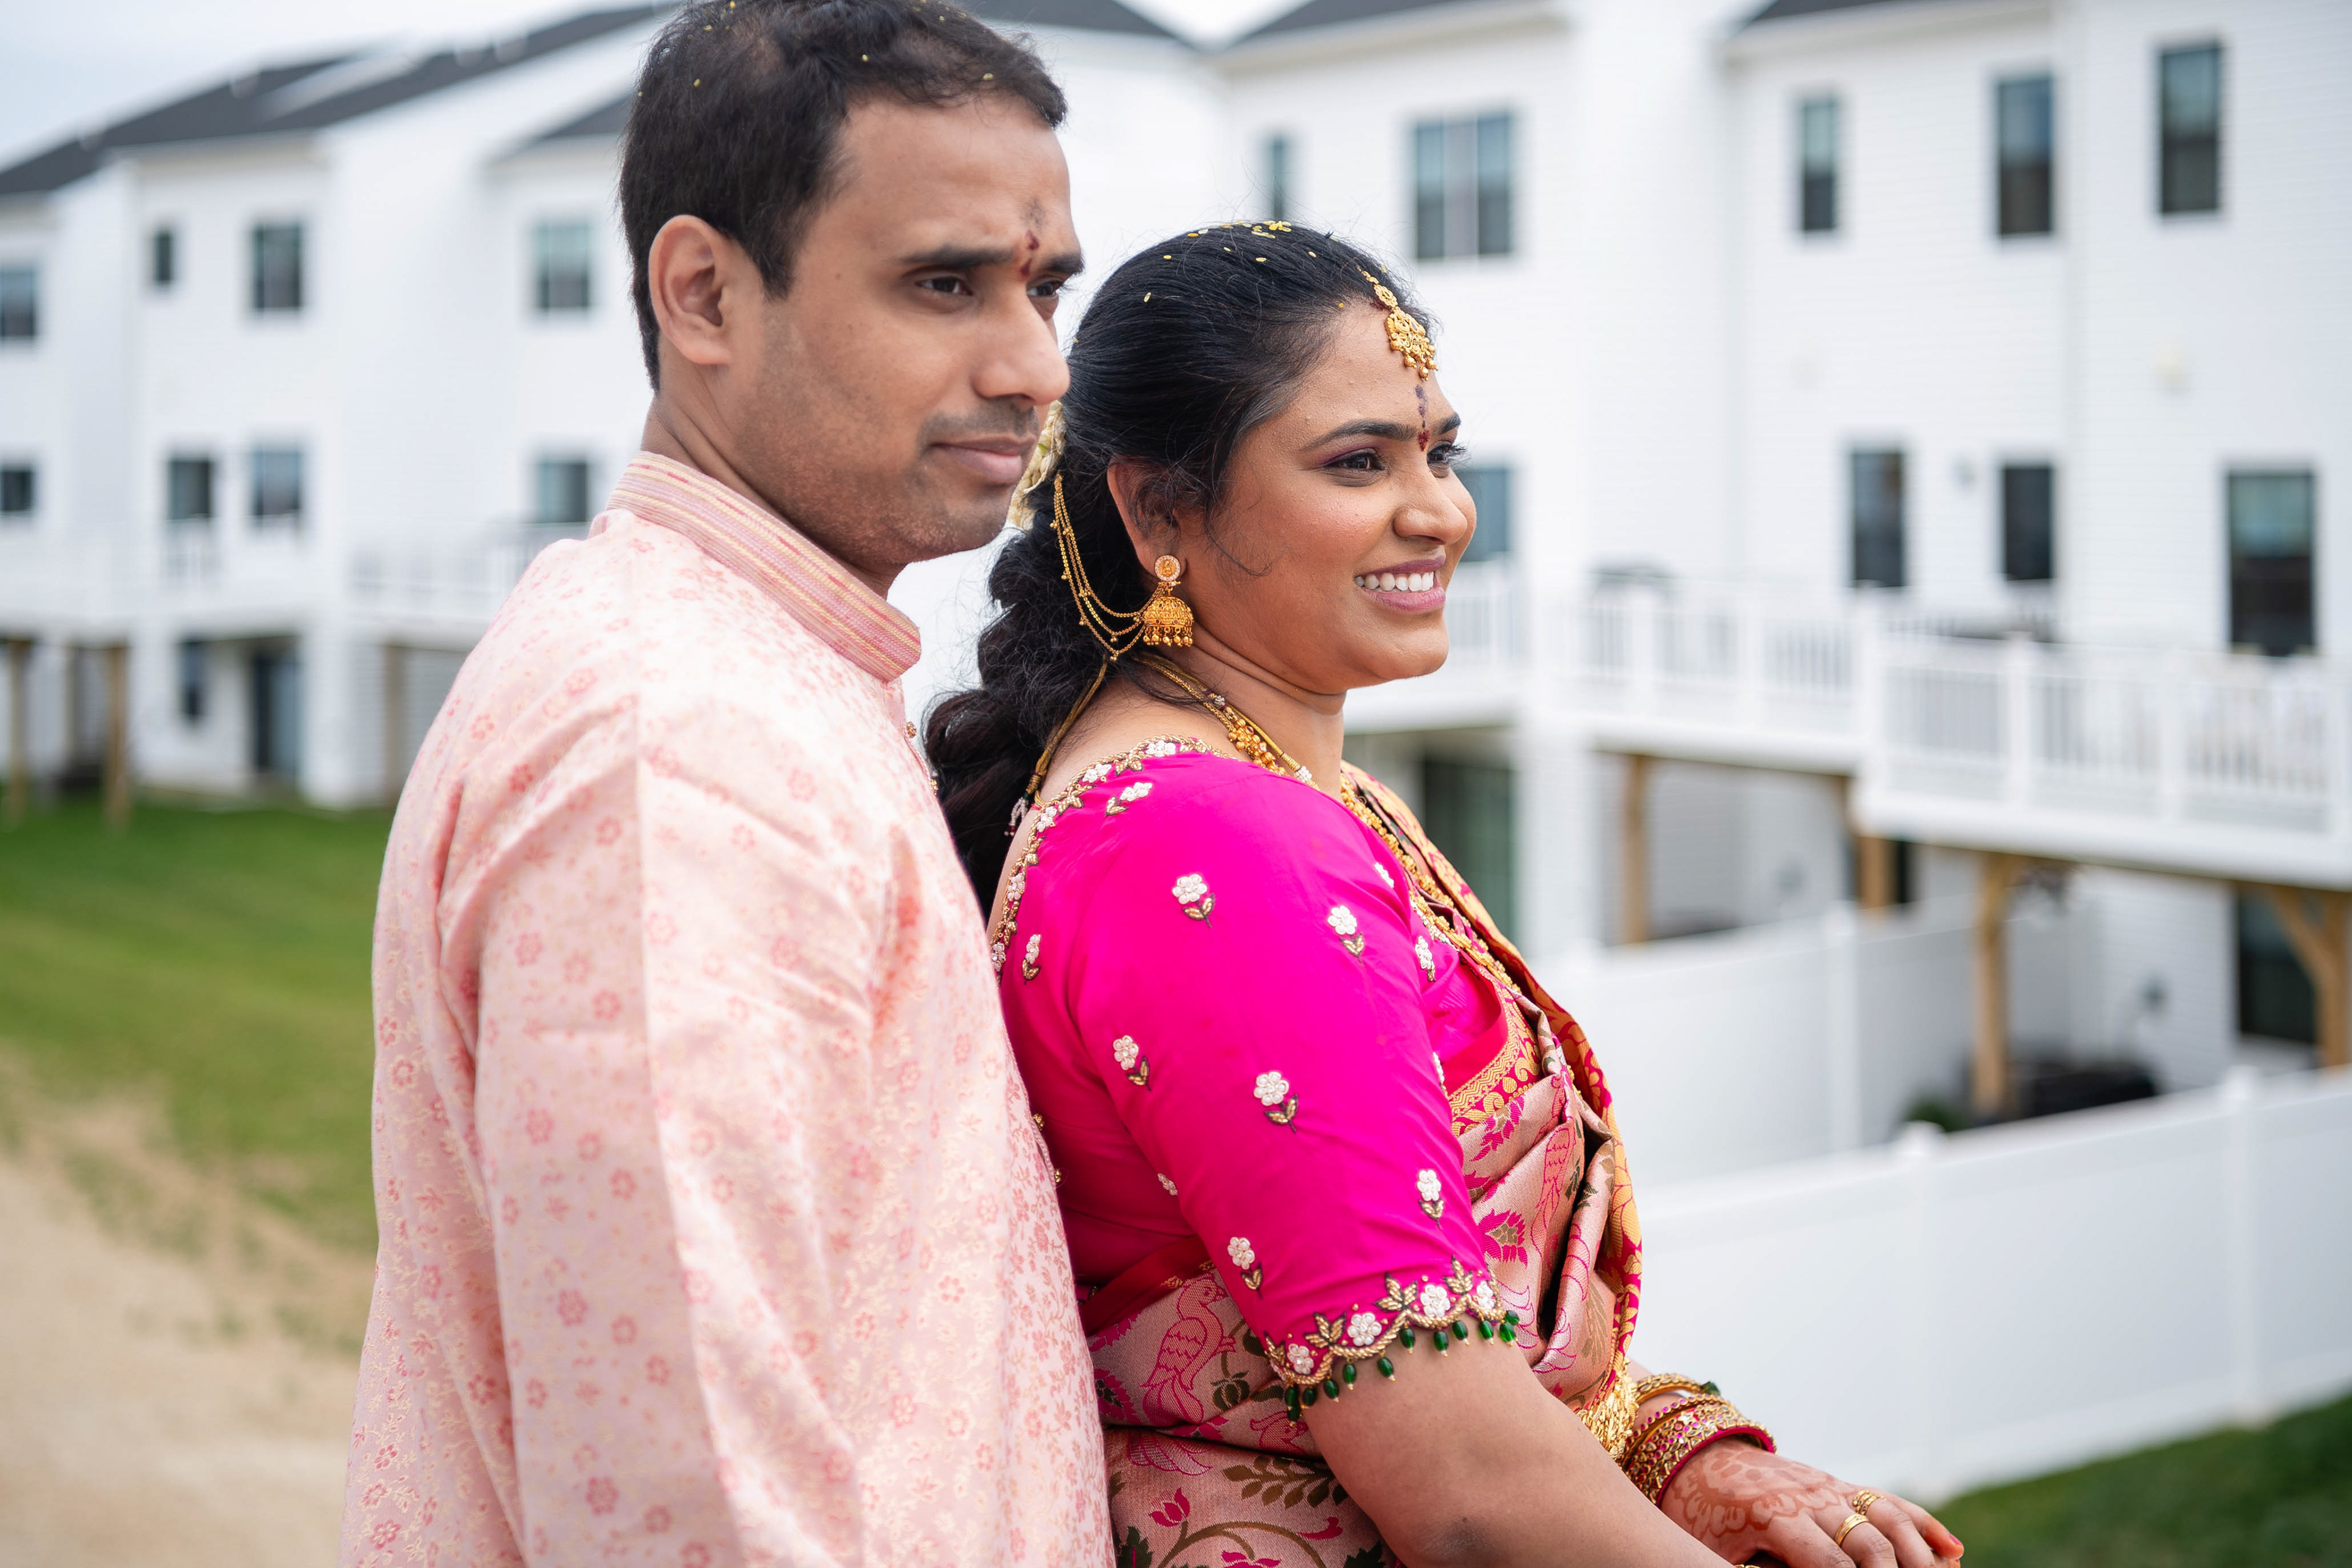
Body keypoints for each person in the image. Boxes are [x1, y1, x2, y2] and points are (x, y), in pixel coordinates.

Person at [926, 224, 1969, 1568]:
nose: (1441, 512)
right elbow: (1465, 1488)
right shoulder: (1213, 844)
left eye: (1441, 453)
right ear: (1159, 511)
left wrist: (1679, 1453)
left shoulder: (1287, 797)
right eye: (1359, 462)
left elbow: (1460, 1365)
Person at [343, 4, 1110, 1562]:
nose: (1036, 366)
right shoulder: (674, 744)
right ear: (702, 293)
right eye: (944, 283)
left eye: (1044, 289)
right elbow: (687, 1492)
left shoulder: (757, 673)